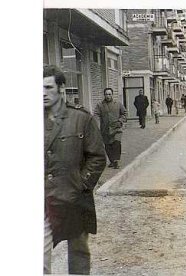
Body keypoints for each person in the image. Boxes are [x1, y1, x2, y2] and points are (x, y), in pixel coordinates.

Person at [43, 65, 106, 274]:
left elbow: (97, 157)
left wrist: (80, 184)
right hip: (44, 199)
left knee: (78, 253)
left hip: (74, 197)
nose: (42, 93)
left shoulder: (81, 119)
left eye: (48, 87)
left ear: (61, 88)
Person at [94, 88, 127, 169]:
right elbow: (96, 115)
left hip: (116, 128)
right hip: (105, 129)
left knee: (116, 143)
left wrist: (120, 121)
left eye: (109, 94)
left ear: (112, 95)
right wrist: (97, 125)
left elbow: (124, 113)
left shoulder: (118, 104)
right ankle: (112, 161)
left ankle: (116, 161)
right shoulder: (100, 105)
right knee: (108, 146)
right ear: (104, 95)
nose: (108, 96)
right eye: (106, 94)